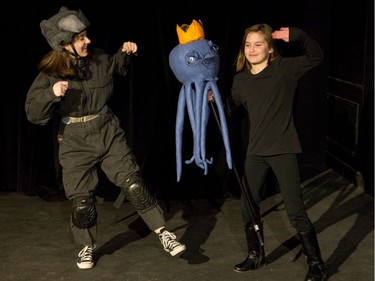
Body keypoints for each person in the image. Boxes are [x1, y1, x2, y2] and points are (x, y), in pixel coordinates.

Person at [25, 6, 185, 270]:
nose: (87, 41)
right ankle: (87, 247)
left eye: (86, 35)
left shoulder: (98, 58)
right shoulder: (51, 73)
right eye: (80, 38)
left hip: (107, 129)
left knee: (134, 185)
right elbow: (32, 112)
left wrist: (125, 53)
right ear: (65, 45)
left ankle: (162, 232)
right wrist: (51, 93)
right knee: (82, 202)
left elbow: (116, 68)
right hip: (75, 139)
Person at [227, 24, 327, 281]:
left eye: (258, 44)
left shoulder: (284, 70)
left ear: (270, 48)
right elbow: (232, 110)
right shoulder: (240, 79)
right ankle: (254, 254)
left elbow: (316, 57)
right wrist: (212, 99)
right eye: (248, 45)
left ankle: (316, 264)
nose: (252, 49)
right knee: (247, 208)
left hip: (283, 150)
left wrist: (299, 36)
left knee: (295, 210)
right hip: (256, 153)